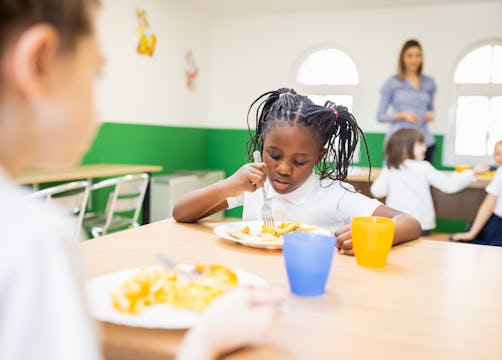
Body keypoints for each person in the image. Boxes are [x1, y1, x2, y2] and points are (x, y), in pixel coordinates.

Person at [0, 1, 283, 359]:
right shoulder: (30, 240)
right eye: (97, 73)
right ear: (37, 63)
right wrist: (206, 341)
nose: (101, 109)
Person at [173, 88, 422, 255]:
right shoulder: (253, 186)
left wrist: (373, 235)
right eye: (274, 155)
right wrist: (228, 185)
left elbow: (409, 223)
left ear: (318, 157)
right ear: (263, 146)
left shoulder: (334, 194)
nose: (283, 168)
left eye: (300, 161)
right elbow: (181, 212)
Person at [370, 129, 481, 236]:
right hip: (421, 225)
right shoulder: (424, 167)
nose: (425, 147)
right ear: (404, 148)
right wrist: (472, 173)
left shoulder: (391, 168)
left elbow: (377, 191)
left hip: (396, 224)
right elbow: (449, 185)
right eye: (420, 144)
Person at [376, 39, 438, 163]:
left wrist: (430, 115)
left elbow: (431, 109)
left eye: (417, 55)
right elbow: (380, 116)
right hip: (399, 142)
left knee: (422, 180)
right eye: (409, 55)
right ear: (402, 58)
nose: (414, 59)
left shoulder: (429, 83)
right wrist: (402, 115)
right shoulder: (392, 83)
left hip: (423, 142)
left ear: (421, 58)